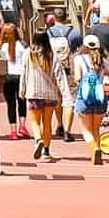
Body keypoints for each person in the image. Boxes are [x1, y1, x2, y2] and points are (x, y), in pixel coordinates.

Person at [21, 32, 63, 161]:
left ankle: (38, 139)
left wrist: (22, 90)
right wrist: (62, 92)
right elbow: (59, 75)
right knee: (47, 123)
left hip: (34, 92)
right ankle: (46, 151)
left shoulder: (28, 53)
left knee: (34, 121)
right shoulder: (52, 54)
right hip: (50, 94)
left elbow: (24, 73)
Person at [73, 34, 109, 165]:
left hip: (84, 98)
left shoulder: (78, 59)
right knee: (96, 128)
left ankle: (94, 148)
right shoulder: (104, 61)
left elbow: (77, 78)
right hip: (100, 99)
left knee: (86, 130)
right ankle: (97, 151)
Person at [44, 12, 80, 142]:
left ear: (54, 18)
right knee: (68, 99)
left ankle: (59, 124)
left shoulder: (48, 32)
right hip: (67, 68)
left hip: (53, 69)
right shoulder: (73, 33)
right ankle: (67, 131)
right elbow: (78, 49)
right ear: (66, 17)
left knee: (57, 97)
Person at [0, 22, 26, 138]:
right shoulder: (22, 45)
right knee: (22, 102)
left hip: (8, 77)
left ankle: (13, 131)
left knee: (10, 104)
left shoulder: (2, 48)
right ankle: (23, 127)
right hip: (20, 77)